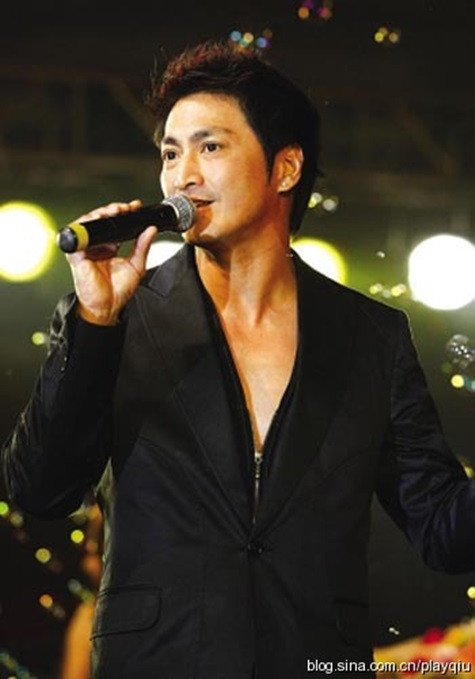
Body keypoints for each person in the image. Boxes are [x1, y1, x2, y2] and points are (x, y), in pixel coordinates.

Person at [2, 39, 475, 679]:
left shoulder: (371, 335)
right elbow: (40, 490)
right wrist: (96, 321)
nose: (183, 175)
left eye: (211, 147)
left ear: (285, 169)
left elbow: (444, 531)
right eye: (171, 153)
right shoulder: (117, 319)